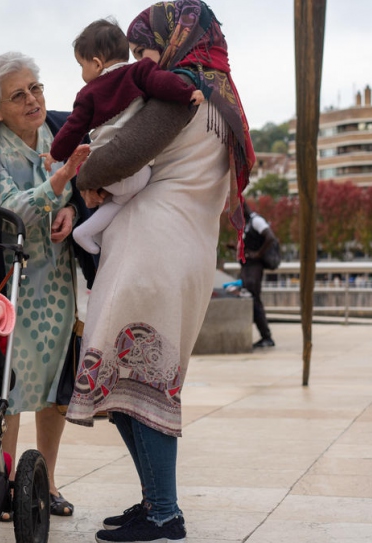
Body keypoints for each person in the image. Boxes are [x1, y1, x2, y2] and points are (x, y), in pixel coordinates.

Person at [64, 2, 255, 541]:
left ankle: (165, 512)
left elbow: (115, 158)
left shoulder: (180, 90)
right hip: (184, 253)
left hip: (150, 250)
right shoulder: (225, 103)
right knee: (136, 382)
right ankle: (154, 501)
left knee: (141, 380)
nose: (141, 58)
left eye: (146, 44)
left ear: (174, 39)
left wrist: (86, 175)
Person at [0, 51, 100, 521]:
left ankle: (46, 482)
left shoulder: (68, 126)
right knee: (5, 386)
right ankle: (8, 485)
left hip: (59, 278)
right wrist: (61, 180)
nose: (33, 100)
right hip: (6, 283)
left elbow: (95, 190)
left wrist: (76, 209)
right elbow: (7, 212)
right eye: (18, 95)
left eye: (36, 88)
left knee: (55, 385)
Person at [46, 18, 204, 255]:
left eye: (81, 65)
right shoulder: (139, 71)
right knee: (135, 187)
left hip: (99, 162)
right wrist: (188, 93)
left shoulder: (86, 94)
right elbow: (163, 83)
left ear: (97, 64)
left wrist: (54, 153)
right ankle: (89, 231)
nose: (82, 72)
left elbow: (72, 130)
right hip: (129, 168)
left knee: (114, 198)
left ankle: (92, 231)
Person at [240, 201, 278, 349]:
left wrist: (258, 254)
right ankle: (265, 335)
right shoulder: (247, 224)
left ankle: (266, 336)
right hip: (248, 268)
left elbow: (270, 237)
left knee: (254, 300)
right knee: (251, 299)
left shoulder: (256, 220)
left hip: (254, 269)